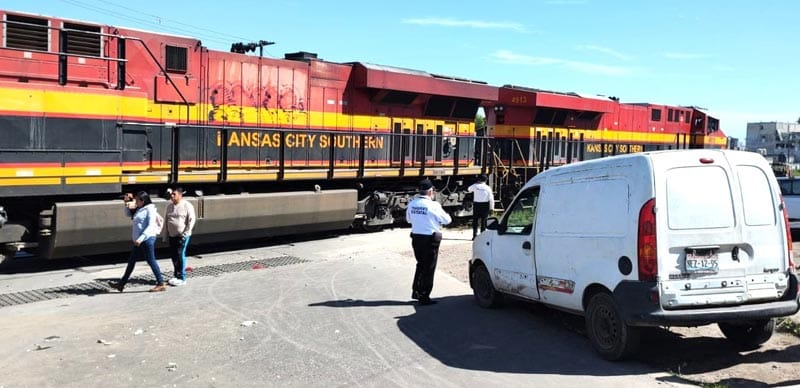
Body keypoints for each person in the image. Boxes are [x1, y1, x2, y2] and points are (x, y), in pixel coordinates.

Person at [406, 179, 452, 305]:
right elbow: (447, 220)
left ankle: (416, 291)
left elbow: (408, 220)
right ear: (431, 191)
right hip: (430, 240)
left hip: (416, 238)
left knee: (420, 264)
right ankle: (424, 296)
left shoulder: (412, 203)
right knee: (429, 267)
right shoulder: (434, 205)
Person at [109, 191, 167, 292]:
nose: (135, 202)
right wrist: (126, 203)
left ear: (143, 201)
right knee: (131, 261)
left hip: (147, 239)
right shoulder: (140, 209)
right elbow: (128, 214)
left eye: (137, 200)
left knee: (151, 260)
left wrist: (141, 238)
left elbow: (151, 226)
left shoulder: (150, 210)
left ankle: (161, 283)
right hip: (139, 241)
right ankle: (121, 284)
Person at [164, 187, 196, 286]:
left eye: (174, 194)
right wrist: (165, 235)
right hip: (172, 236)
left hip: (182, 236)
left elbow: (191, 220)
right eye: (171, 194)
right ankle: (176, 275)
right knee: (174, 255)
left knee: (180, 254)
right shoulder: (169, 207)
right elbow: (166, 222)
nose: (172, 196)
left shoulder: (187, 205)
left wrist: (185, 233)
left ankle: (182, 277)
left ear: (180, 195)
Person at [468, 174, 495, 240]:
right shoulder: (488, 188)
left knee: (475, 221)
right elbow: (491, 199)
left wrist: (476, 184)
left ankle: (474, 235)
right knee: (484, 221)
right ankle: (482, 236)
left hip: (477, 205)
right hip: (485, 205)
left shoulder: (475, 186)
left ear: (479, 179)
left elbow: (469, 189)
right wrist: (492, 208)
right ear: (486, 180)